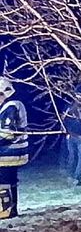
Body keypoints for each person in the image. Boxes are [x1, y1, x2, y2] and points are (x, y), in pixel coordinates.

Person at [0, 76, 29, 220]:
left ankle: (5, 210)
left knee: (4, 182)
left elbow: (8, 134)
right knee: (10, 181)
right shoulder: (14, 104)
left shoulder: (10, 107)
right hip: (12, 152)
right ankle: (11, 210)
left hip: (8, 152)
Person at [61, 84, 81, 187]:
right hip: (76, 135)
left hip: (79, 136)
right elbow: (63, 118)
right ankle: (73, 177)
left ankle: (75, 178)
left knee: (78, 157)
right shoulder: (75, 106)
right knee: (76, 157)